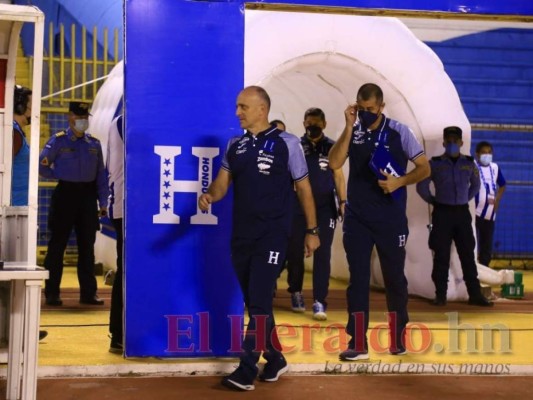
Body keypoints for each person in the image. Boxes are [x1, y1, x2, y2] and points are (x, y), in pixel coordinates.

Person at [199, 86, 319, 391]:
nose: (237, 112)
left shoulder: (287, 144)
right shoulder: (234, 145)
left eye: (243, 107)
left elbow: (304, 189)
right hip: (242, 236)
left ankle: (246, 368)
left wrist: (312, 231)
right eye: (237, 106)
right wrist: (210, 195)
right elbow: (222, 185)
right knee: (255, 302)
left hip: (274, 235)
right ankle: (276, 358)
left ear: (261, 109)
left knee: (261, 300)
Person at [329, 83, 430, 361]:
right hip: (358, 219)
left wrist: (400, 181)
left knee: (395, 279)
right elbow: (334, 162)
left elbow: (425, 168)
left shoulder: (400, 132)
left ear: (381, 107)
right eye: (361, 109)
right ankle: (357, 342)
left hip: (390, 219)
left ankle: (398, 336)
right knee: (357, 281)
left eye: (370, 110)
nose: (365, 114)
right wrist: (349, 126)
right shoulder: (355, 131)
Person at [39, 101, 109, 306]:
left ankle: (88, 293)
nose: (83, 121)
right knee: (56, 246)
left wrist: (103, 202)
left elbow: (101, 176)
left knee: (87, 247)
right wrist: (58, 174)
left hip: (87, 197)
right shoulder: (58, 141)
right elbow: (42, 165)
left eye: (85, 117)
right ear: (70, 117)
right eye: (79, 117)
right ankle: (52, 293)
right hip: (65, 195)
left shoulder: (94, 145)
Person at [416, 126, 493, 307]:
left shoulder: (469, 163)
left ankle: (475, 295)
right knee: (441, 254)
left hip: (461, 213)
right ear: (444, 142)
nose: (451, 144)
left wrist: (465, 198)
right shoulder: (434, 164)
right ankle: (440, 295)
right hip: (442, 213)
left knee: (467, 255)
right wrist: (434, 201)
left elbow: (475, 185)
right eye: (448, 141)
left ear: (461, 143)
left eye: (455, 141)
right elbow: (422, 187)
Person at [285, 107, 346, 320]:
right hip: (298, 206)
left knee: (323, 253)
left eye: (317, 124)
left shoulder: (331, 147)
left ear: (324, 124)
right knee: (294, 251)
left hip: (325, 208)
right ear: (304, 124)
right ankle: (296, 291)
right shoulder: (296, 146)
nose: (313, 127)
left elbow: (338, 176)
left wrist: (343, 201)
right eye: (309, 123)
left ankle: (320, 300)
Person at [11, 85, 48, 341]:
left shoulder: (16, 132)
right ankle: (18, 330)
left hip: (19, 212)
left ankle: (21, 328)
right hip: (13, 215)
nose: (35, 109)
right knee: (18, 276)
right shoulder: (11, 134)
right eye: (31, 103)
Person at [106, 115, 124, 353]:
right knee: (127, 271)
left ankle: (120, 332)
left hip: (130, 207)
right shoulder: (124, 121)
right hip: (126, 206)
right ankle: (119, 332)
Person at [474, 141, 506, 267]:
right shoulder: (472, 166)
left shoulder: (495, 167)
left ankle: (484, 270)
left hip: (490, 214)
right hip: (474, 213)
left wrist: (497, 199)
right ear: (477, 154)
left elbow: (502, 184)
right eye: (483, 152)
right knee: (471, 243)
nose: (487, 155)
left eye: (489, 152)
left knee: (486, 246)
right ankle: (471, 272)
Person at [12, 85, 32, 206]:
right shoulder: (14, 134)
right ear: (21, 107)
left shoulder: (17, 132)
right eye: (32, 106)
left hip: (18, 204)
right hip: (14, 205)